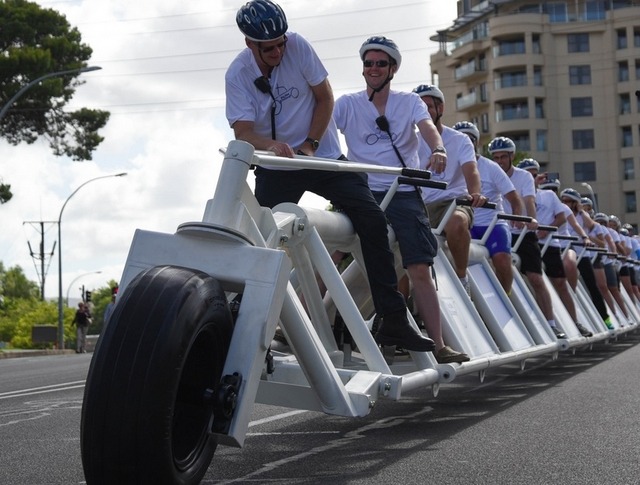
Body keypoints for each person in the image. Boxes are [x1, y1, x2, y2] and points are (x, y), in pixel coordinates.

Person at [225, 1, 434, 352]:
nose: (278, 50)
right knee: (259, 234)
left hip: (320, 155)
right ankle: (240, 312)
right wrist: (272, 146)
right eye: (269, 47)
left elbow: (324, 98)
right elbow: (243, 133)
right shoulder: (238, 74)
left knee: (372, 220)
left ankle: (393, 320)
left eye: (281, 42)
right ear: (250, 45)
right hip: (279, 165)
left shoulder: (299, 46)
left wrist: (310, 143)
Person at [332, 36, 469, 363]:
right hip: (363, 189)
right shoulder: (348, 104)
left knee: (418, 266)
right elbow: (320, 130)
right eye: (368, 63)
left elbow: (427, 129)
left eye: (381, 63)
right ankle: (298, 320)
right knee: (333, 248)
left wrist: (438, 148)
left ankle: (438, 345)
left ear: (393, 68)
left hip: (403, 191)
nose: (374, 69)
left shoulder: (409, 102)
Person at [488, 139, 565, 339]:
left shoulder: (524, 177)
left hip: (522, 232)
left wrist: (531, 219)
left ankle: (551, 323)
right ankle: (496, 322)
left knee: (536, 278)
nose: (499, 161)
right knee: (492, 271)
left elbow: (529, 200)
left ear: (512, 156)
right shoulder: (489, 171)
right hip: (499, 228)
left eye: (503, 156)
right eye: (495, 157)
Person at [412, 85, 485, 296]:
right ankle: (405, 305)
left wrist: (475, 193)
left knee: (457, 223)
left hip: (453, 202)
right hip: (420, 205)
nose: (424, 112)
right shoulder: (409, 140)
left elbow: (471, 172)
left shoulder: (460, 140)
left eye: (428, 107)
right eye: (419, 107)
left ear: (440, 108)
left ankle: (462, 279)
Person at [453, 121, 524, 294]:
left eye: (469, 139)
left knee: (502, 259)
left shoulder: (490, 167)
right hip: (464, 222)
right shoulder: (450, 166)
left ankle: (504, 296)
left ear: (476, 142)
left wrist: (517, 218)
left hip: (491, 224)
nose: (465, 143)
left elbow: (514, 199)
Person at [527, 172, 593, 337]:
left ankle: (575, 321)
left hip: (555, 244)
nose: (553, 192)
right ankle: (541, 325)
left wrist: (584, 237)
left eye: (555, 189)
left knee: (562, 281)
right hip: (529, 242)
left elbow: (566, 220)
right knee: (533, 282)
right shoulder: (521, 194)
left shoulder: (553, 200)